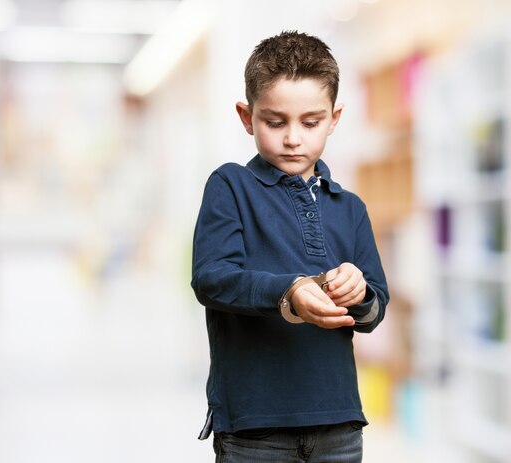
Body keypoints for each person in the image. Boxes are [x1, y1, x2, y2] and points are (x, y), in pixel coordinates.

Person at [190, 31, 389, 463]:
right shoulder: (230, 186)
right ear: (247, 116)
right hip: (254, 428)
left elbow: (374, 312)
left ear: (334, 118)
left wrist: (359, 292)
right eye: (275, 122)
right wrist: (290, 291)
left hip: (339, 425)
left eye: (311, 122)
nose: (293, 138)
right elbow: (211, 279)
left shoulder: (350, 207)